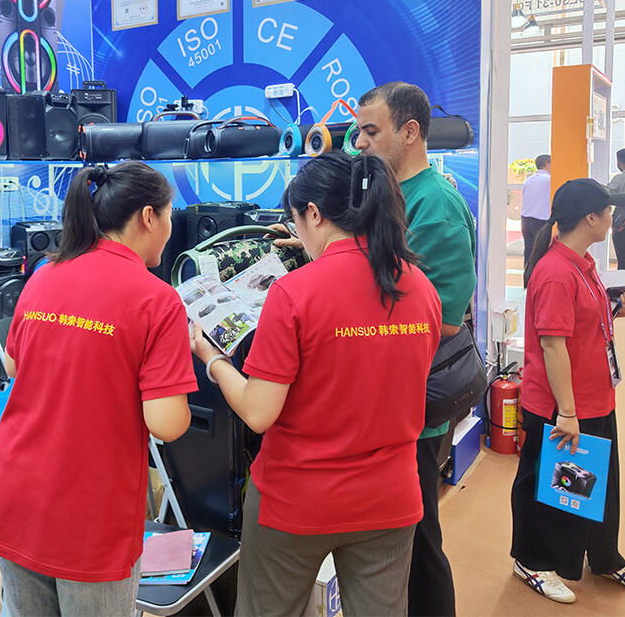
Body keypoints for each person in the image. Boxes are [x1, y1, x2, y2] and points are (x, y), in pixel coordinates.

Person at [192, 152, 442, 616]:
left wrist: (213, 359)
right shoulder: (421, 287)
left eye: (296, 221)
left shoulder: (294, 293)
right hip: (389, 497)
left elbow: (259, 411)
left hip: (298, 501)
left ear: (313, 213)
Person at [0, 162, 197, 616]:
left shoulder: (45, 272)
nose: (170, 227)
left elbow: (13, 364)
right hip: (90, 512)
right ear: (148, 217)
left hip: (17, 495)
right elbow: (167, 423)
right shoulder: (159, 301)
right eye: (169, 214)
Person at [351, 81, 476, 617]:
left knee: (420, 537)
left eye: (370, 131)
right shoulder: (390, 195)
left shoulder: (435, 204)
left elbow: (442, 320)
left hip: (416, 405)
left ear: (409, 132)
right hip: (389, 401)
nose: (359, 143)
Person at [512, 177, 625, 604]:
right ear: (591, 218)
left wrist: (617, 307)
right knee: (550, 487)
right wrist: (568, 412)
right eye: (609, 210)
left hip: (595, 396)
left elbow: (584, 321)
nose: (614, 217)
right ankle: (531, 561)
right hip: (560, 405)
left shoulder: (583, 263)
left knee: (600, 482)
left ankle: (605, 556)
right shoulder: (556, 272)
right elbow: (553, 346)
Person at [521, 154, 552, 279]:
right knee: (541, 252)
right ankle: (539, 280)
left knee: (529, 251)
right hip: (541, 220)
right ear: (547, 164)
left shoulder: (528, 180)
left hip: (525, 219)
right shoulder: (549, 180)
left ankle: (527, 280)